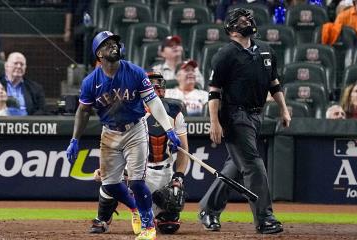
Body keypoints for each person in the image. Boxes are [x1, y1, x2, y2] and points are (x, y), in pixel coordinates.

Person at [65, 31, 182, 240]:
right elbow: (82, 111)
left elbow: (153, 102)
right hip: (109, 132)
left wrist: (169, 129)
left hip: (135, 129)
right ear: (98, 53)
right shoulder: (90, 82)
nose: (113, 46)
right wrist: (74, 140)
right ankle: (136, 209)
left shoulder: (135, 72)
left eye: (115, 43)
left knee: (137, 182)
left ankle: (148, 227)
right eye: (107, 44)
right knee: (109, 184)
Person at [199, 8, 291, 234]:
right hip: (233, 115)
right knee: (252, 165)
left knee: (236, 167)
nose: (247, 22)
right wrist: (214, 122)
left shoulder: (266, 51)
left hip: (256, 114)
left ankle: (208, 209)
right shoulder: (225, 54)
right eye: (242, 20)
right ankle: (264, 218)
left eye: (248, 18)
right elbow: (214, 91)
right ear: (231, 29)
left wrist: (284, 110)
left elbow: (274, 84)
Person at [90, 71, 189, 235]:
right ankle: (103, 218)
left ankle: (157, 215)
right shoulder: (126, 110)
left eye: (159, 84)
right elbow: (112, 144)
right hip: (137, 171)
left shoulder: (174, 110)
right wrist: (104, 168)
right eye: (152, 84)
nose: (157, 87)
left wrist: (178, 177)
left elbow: (184, 150)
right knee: (110, 181)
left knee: (169, 226)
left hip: (164, 172)